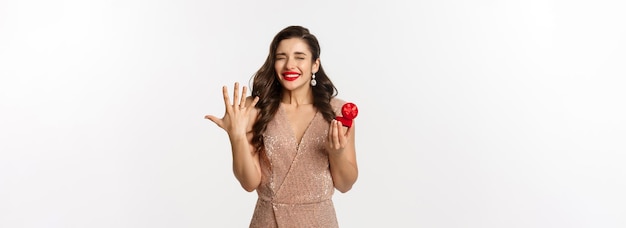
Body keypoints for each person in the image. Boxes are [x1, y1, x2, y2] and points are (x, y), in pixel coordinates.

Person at [205, 25, 358, 228]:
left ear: (315, 65)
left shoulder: (338, 113)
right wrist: (237, 136)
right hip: (269, 221)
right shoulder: (256, 110)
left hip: (320, 221)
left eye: (299, 57)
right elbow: (249, 183)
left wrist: (336, 154)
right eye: (281, 57)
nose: (289, 65)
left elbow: (345, 185)